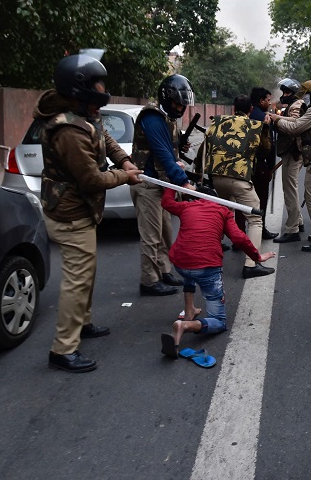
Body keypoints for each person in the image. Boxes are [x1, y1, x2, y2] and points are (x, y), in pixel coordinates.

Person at [37, 54, 142, 373]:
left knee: (86, 272)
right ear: (79, 91)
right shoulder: (67, 130)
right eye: (97, 86)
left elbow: (105, 138)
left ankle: (82, 323)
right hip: (70, 210)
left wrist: (124, 160)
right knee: (77, 278)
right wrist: (126, 176)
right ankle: (63, 349)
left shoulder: (83, 112)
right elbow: (91, 179)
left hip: (81, 208)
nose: (101, 90)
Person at [159, 187, 275, 356]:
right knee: (219, 321)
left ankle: (189, 309)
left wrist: (172, 185)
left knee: (190, 271)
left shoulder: (187, 206)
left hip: (181, 264)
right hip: (207, 268)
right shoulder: (223, 210)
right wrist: (257, 256)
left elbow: (167, 202)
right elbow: (238, 237)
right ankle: (185, 325)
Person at [130, 74, 196, 297]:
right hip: (147, 183)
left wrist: (181, 145)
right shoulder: (152, 118)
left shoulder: (168, 118)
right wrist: (184, 182)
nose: (181, 108)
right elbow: (164, 154)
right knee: (151, 235)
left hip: (162, 183)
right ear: (167, 98)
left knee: (165, 230)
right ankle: (149, 280)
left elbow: (172, 147)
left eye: (183, 104)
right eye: (178, 103)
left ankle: (164, 270)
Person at [202, 95, 273, 279]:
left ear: (233, 109)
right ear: (250, 109)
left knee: (222, 216)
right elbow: (265, 149)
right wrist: (265, 128)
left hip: (217, 178)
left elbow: (206, 148)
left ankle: (209, 257)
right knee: (255, 218)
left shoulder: (217, 123)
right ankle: (251, 264)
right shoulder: (253, 126)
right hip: (239, 178)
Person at [268, 80, 311, 252]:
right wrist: (280, 117)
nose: (302, 99)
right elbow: (297, 121)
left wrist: (276, 121)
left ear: (310, 94)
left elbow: (296, 126)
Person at [272, 78, 306, 243]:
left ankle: (292, 229)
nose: (284, 95)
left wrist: (277, 120)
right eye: (283, 92)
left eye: (287, 92)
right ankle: (298, 221)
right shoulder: (291, 105)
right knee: (291, 188)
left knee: (290, 190)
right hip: (290, 152)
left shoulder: (297, 105)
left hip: (294, 152)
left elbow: (296, 125)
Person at [248, 87, 278, 239]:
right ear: (261, 101)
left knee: (245, 198)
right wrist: (271, 167)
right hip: (260, 164)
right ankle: (260, 229)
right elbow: (269, 145)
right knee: (261, 199)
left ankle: (242, 231)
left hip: (245, 164)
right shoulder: (264, 118)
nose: (269, 102)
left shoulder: (248, 115)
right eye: (268, 100)